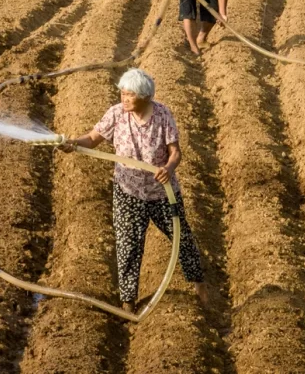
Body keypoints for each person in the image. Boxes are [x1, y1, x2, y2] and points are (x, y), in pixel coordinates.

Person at [58, 68, 210, 313]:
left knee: (182, 239)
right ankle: (128, 301)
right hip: (128, 191)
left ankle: (199, 284)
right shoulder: (116, 114)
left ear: (146, 97)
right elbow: (92, 138)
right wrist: (72, 144)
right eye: (123, 93)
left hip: (162, 192)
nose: (124, 98)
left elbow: (175, 151)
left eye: (130, 95)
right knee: (128, 245)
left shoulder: (162, 115)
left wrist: (169, 168)